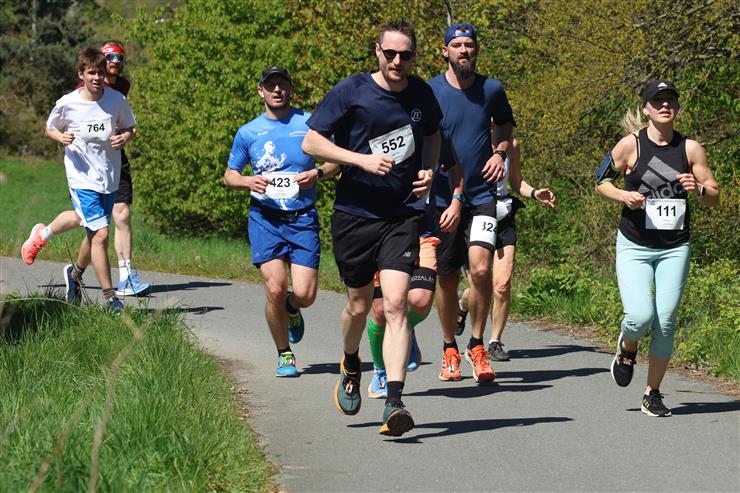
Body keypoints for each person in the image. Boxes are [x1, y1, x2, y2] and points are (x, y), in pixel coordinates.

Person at [302, 18, 440, 437]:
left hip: (401, 215)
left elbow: (432, 135)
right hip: (355, 215)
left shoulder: (422, 94)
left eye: (405, 55)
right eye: (390, 53)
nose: (397, 61)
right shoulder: (352, 91)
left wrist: (429, 171)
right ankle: (350, 362)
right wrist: (360, 160)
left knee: (396, 304)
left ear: (414, 57)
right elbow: (311, 142)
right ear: (378, 52)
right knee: (359, 307)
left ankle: (394, 402)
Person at [595, 80, 719, 416]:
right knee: (639, 316)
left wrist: (699, 190)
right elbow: (600, 181)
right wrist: (623, 195)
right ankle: (627, 345)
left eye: (670, 100)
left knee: (665, 320)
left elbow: (714, 195)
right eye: (658, 100)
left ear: (677, 108)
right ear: (646, 108)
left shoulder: (690, 149)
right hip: (634, 245)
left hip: (674, 247)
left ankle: (652, 393)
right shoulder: (629, 145)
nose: (665, 105)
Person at [225, 66, 336, 378]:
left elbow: (336, 160)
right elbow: (230, 175)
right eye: (270, 85)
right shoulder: (248, 132)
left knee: (306, 294)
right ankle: (284, 353)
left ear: (290, 89)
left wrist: (317, 173)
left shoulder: (309, 123)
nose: (277, 90)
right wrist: (248, 181)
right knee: (275, 287)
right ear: (260, 91)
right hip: (265, 218)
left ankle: (292, 307)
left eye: (282, 85)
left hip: (302, 218)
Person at [21, 41, 151, 301]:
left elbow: (129, 127)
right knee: (101, 232)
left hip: (109, 169)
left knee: (93, 228)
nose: (98, 77)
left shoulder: (118, 96)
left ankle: (73, 270)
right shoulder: (70, 102)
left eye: (101, 72)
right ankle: (111, 296)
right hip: (81, 174)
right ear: (81, 74)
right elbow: (50, 128)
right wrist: (61, 137)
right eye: (92, 72)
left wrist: (125, 137)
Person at [427, 22, 514, 383]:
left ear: (477, 50)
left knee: (480, 270)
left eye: (469, 45)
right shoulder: (430, 91)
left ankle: (476, 345)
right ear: (445, 51)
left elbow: (505, 126)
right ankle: (449, 348)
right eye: (457, 45)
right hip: (442, 198)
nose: (464, 50)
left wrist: (499, 153)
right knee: (447, 277)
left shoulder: (491, 89)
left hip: (482, 195)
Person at [366, 158, 462, 398]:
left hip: (423, 232)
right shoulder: (374, 136)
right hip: (382, 233)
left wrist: (456, 201)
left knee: (420, 301)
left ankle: (404, 328)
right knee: (380, 310)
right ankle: (380, 370)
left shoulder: (432, 137)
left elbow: (455, 168)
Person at [454, 137, 557, 361]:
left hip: (504, 218)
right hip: (476, 215)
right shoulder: (469, 137)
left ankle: (494, 342)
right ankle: (463, 303)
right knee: (479, 283)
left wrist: (535, 193)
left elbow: (517, 182)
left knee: (501, 285)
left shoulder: (512, 145)